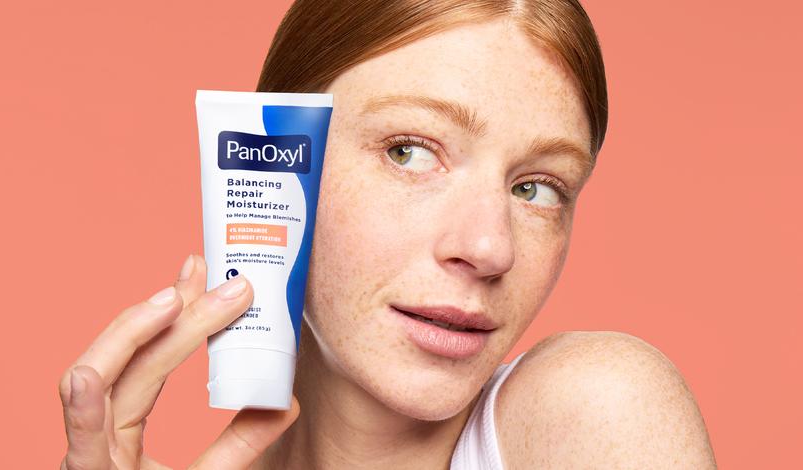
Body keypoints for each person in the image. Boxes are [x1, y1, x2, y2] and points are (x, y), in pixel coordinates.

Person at [58, 1, 717, 468]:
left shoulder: (596, 411)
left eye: (536, 188)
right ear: (278, 161)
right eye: (409, 151)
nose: (490, 248)